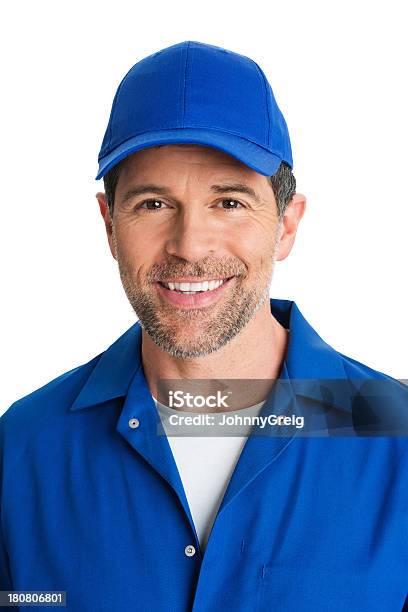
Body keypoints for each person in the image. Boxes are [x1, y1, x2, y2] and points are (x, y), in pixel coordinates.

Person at [1, 41, 407, 611]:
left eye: (230, 203)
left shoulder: (396, 439)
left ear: (287, 225)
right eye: (153, 204)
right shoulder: (21, 450)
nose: (190, 247)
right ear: (109, 226)